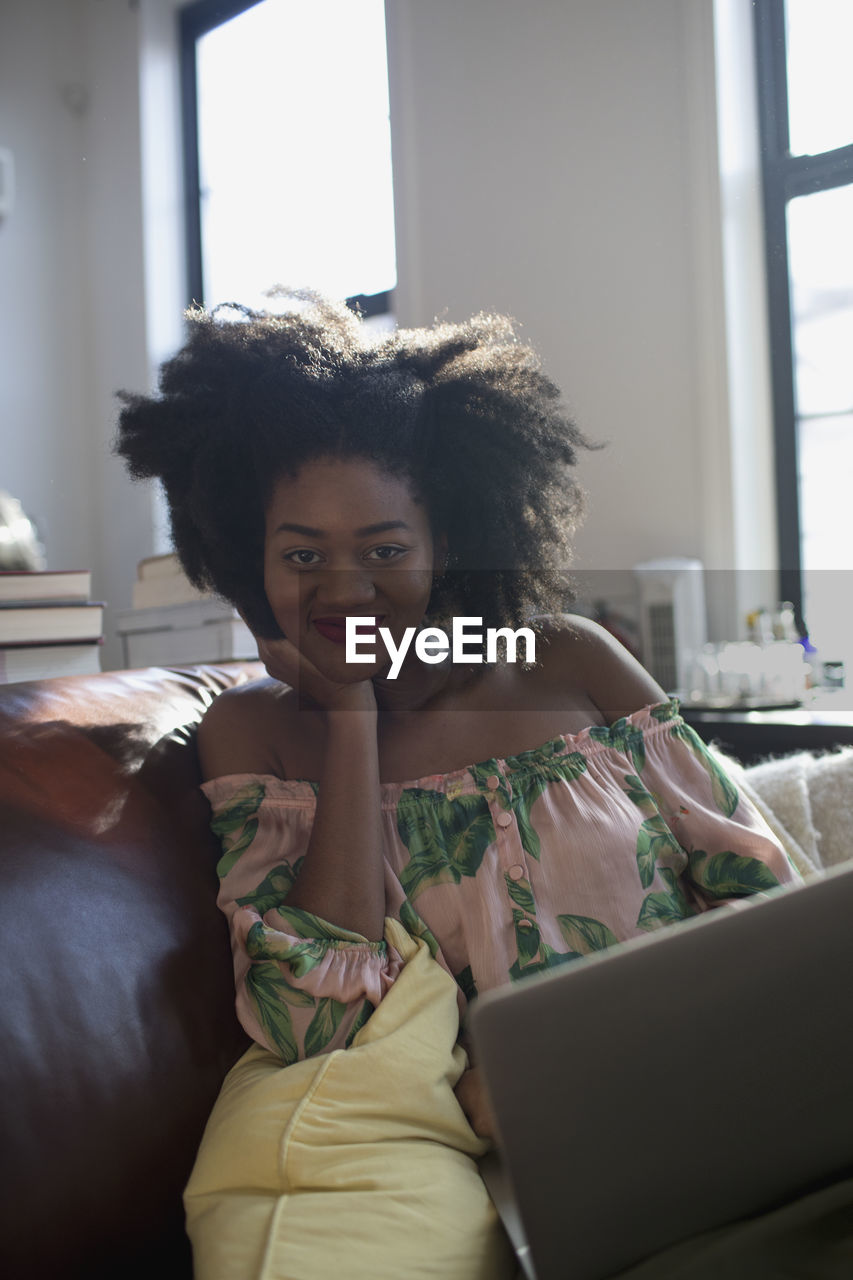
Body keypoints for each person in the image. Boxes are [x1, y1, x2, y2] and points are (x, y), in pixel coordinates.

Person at [115, 294, 799, 1261]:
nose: (344, 590)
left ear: (449, 543)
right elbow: (312, 1020)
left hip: (713, 1095)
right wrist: (348, 717)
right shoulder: (250, 735)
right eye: (301, 554)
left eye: (385, 550)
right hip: (501, 1175)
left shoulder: (568, 661)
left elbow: (761, 896)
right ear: (242, 555)